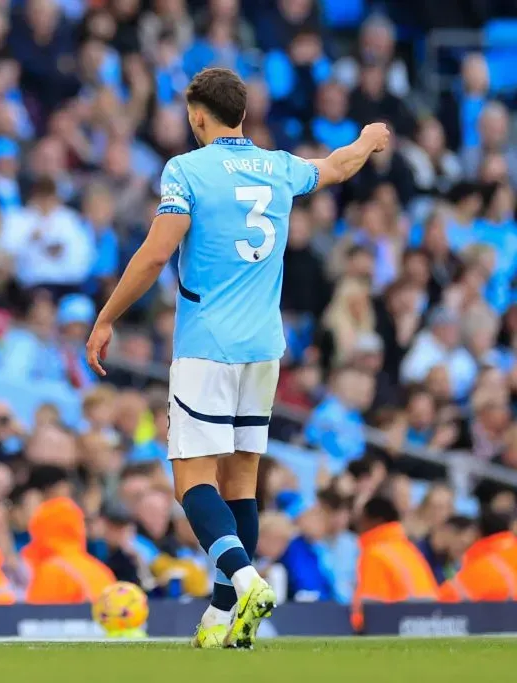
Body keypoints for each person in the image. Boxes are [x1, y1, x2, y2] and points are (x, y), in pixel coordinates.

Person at [85, 67, 390, 649]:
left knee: (191, 481)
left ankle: (246, 581)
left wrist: (106, 320)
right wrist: (368, 140)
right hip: (263, 350)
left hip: (207, 347)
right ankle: (224, 619)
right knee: (241, 485)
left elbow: (153, 257)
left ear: (199, 116)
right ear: (243, 114)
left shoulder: (186, 170)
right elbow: (337, 166)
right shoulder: (277, 167)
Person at [352, 496, 437, 632]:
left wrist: (354, 628)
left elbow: (371, 609)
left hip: (397, 626)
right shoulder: (408, 548)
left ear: (374, 520)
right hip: (427, 624)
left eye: (361, 520)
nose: (358, 525)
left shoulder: (374, 553)